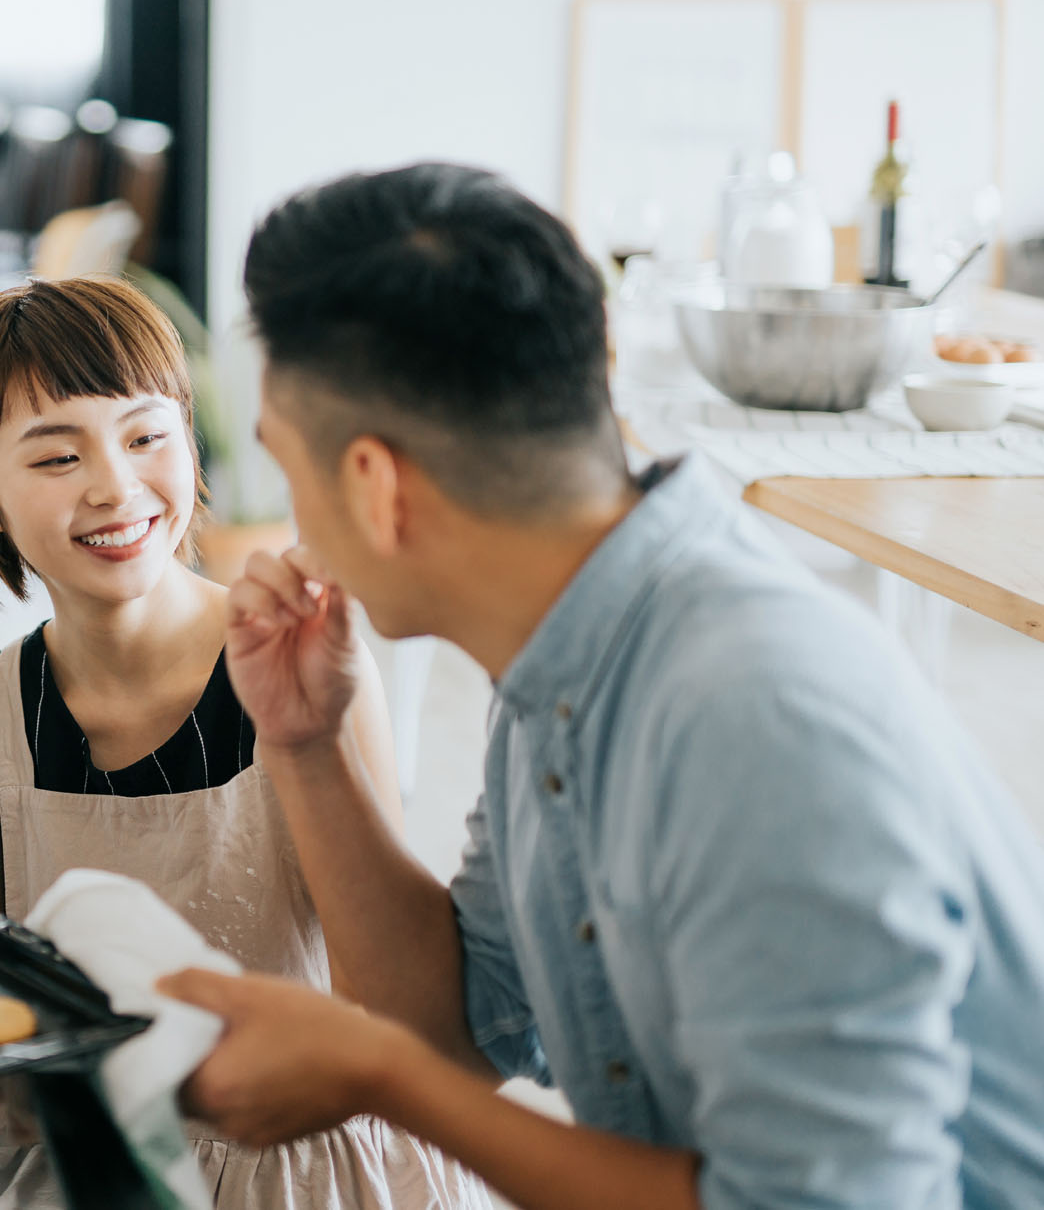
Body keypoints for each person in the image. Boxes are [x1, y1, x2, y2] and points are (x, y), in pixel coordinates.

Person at [157, 162, 1044, 1209]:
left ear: (373, 484)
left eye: (285, 463)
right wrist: (305, 743)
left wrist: (371, 1076)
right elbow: (458, 1019)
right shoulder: (567, 642)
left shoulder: (752, 717)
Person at [0, 275, 488, 1209]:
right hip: (84, 1163)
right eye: (57, 458)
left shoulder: (303, 670)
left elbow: (384, 1004)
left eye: (147, 436)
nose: (115, 484)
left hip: (309, 1162)